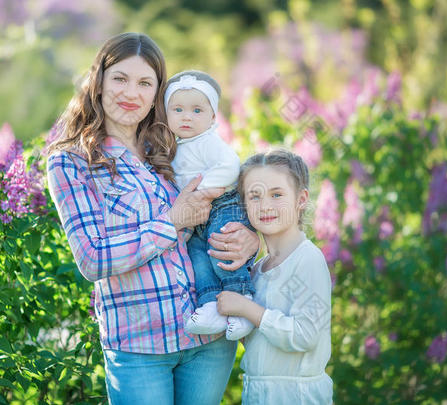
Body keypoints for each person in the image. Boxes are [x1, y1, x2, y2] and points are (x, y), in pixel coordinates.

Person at [45, 32, 259, 405]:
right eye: (120, 79)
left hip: (206, 339)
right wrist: (172, 220)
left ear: (158, 93)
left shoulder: (173, 147)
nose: (131, 93)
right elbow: (93, 258)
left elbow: (238, 202)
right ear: (98, 82)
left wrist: (252, 239)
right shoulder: (71, 162)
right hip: (138, 346)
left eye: (145, 83)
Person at [216, 149, 334, 404]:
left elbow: (306, 335)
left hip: (297, 395)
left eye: (277, 194)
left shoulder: (307, 260)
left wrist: (248, 309)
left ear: (301, 199)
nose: (265, 206)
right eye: (254, 196)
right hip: (258, 393)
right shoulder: (258, 270)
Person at [165, 70, 256, 341]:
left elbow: (230, 166)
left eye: (196, 110)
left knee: (221, 248)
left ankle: (241, 300)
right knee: (198, 258)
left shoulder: (209, 142)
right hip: (197, 216)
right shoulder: (175, 146)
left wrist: (203, 192)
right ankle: (209, 305)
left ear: (213, 117)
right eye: (178, 109)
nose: (186, 117)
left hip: (223, 205)